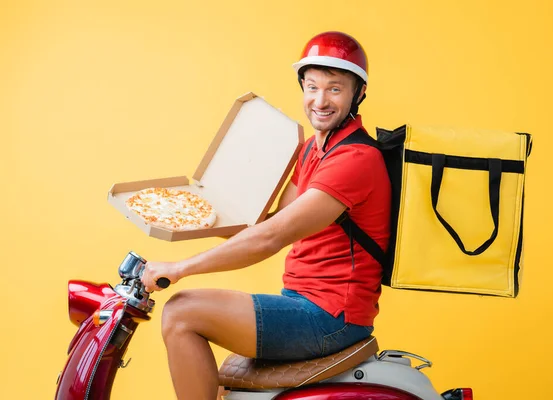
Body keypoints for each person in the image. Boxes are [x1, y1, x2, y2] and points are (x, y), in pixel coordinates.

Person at [141, 31, 391, 400]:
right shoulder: (313, 150)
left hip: (329, 318)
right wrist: (200, 214)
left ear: (358, 94)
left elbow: (271, 238)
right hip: (299, 301)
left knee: (181, 313)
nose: (320, 101)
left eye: (334, 89)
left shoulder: (355, 160)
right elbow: (267, 222)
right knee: (185, 314)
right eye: (312, 87)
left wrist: (181, 268)